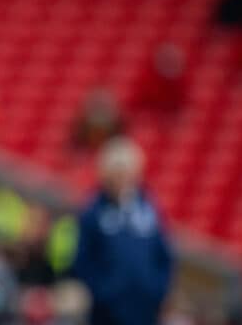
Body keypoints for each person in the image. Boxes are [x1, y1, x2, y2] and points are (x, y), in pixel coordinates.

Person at [70, 137, 174, 325]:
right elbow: (82, 260)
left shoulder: (149, 208)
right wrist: (104, 291)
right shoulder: (93, 211)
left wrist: (156, 290)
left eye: (126, 172)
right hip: (106, 313)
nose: (122, 179)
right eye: (116, 172)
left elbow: (164, 255)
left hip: (145, 310)